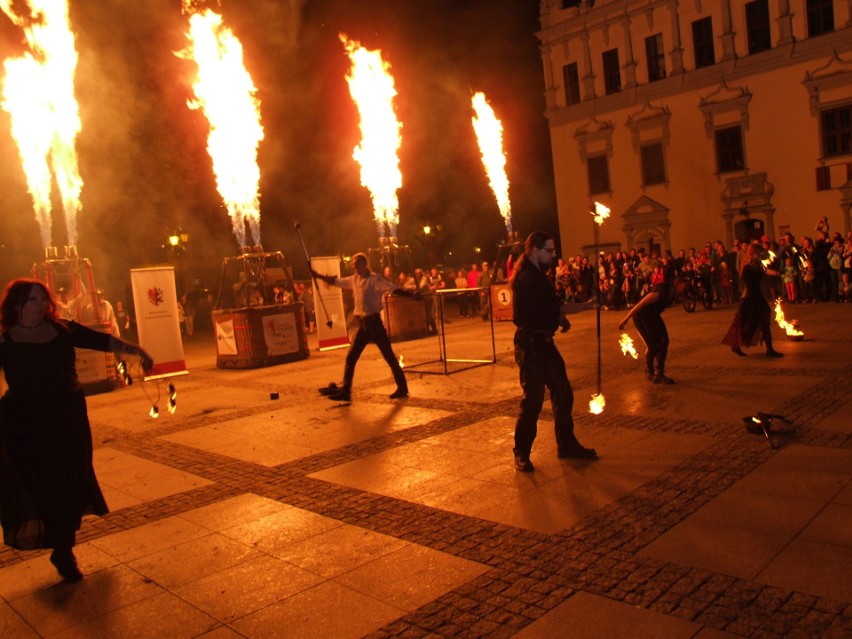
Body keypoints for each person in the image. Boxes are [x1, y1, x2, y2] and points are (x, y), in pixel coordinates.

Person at [0, 279, 154, 582]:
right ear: (17, 304)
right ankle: (63, 550)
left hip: (68, 417)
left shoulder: (62, 329)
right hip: (26, 424)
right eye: (33, 299)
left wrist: (138, 351)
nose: (41, 305)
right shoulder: (5, 342)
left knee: (73, 478)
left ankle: (63, 545)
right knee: (42, 485)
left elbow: (104, 341)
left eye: (44, 299)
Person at [511, 231, 597, 473]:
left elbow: (549, 307)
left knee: (563, 392)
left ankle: (566, 444)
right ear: (535, 250)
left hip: (544, 342)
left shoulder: (539, 274)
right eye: (549, 250)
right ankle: (521, 452)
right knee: (533, 400)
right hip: (530, 344)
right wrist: (587, 306)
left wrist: (557, 319)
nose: (554, 254)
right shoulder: (527, 278)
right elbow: (547, 308)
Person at [312, 253, 409, 402]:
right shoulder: (354, 279)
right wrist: (318, 275)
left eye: (356, 264)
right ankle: (346, 391)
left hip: (374, 324)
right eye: (353, 265)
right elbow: (337, 281)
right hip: (363, 326)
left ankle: (402, 387)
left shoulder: (374, 279)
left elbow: (393, 288)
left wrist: (411, 294)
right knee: (351, 357)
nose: (354, 267)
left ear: (364, 264)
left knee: (389, 356)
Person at [722, 242, 783, 357]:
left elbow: (764, 271)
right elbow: (754, 275)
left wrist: (776, 273)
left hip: (757, 296)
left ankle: (769, 349)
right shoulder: (748, 266)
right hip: (750, 297)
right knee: (748, 323)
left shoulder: (756, 264)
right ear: (753, 253)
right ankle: (736, 345)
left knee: (764, 321)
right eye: (758, 253)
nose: (760, 255)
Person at [618, 278, 674, 384]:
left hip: (653, 315)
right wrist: (626, 319)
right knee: (652, 345)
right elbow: (640, 304)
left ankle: (659, 373)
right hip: (640, 316)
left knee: (664, 340)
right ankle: (649, 370)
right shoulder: (660, 292)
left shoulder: (672, 293)